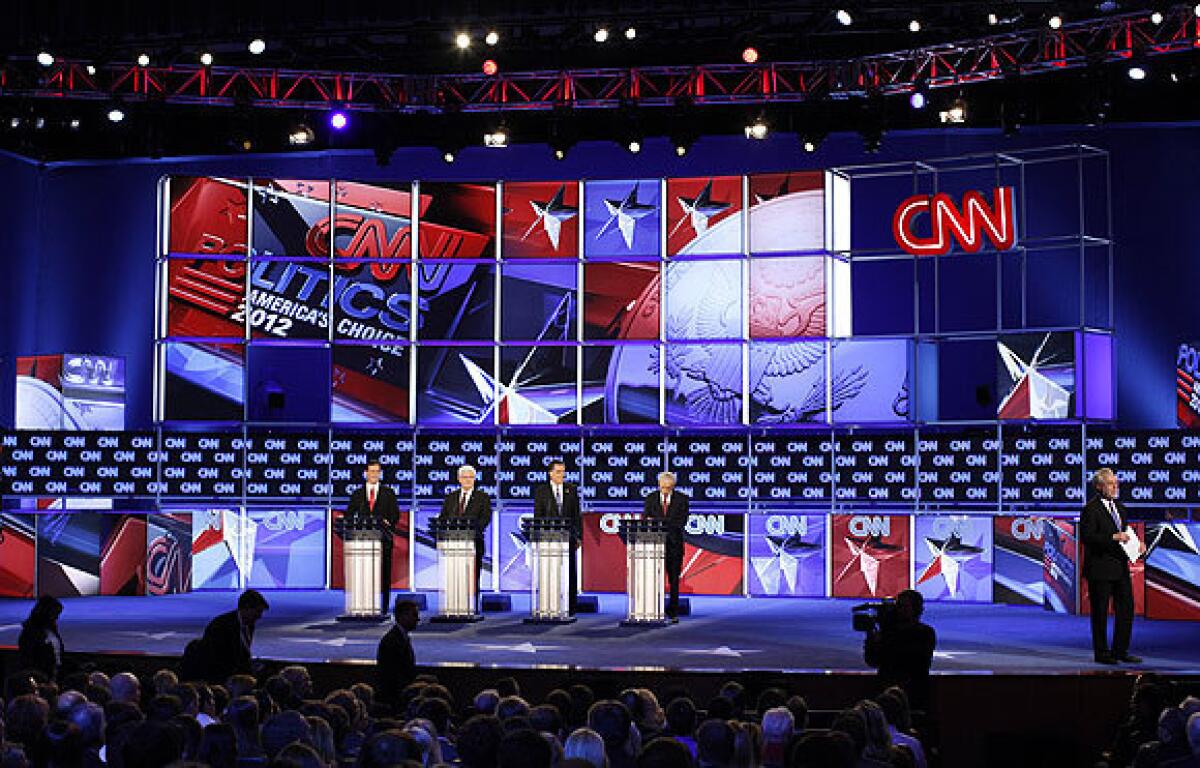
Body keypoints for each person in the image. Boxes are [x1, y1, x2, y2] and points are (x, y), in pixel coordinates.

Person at [1081, 467, 1145, 665]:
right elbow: (1088, 537)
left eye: (1116, 484)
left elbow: (1126, 533)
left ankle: (1120, 650)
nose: (1115, 487)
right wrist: (1112, 537)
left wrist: (1138, 544)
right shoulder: (1090, 509)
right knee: (1100, 613)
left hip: (1119, 567)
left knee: (1126, 609)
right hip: (1100, 568)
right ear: (1099, 486)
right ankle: (1101, 653)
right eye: (1110, 484)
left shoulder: (1121, 508)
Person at [863, 589, 936, 710]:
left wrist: (886, 634)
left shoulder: (925, 633)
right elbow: (872, 660)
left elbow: (909, 660)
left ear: (916, 609)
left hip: (914, 694)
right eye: (898, 606)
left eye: (904, 607)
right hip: (885, 692)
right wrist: (872, 637)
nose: (899, 611)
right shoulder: (887, 632)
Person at [346, 458, 401, 615]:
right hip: (361, 542)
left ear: (380, 474)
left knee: (384, 575)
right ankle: (360, 605)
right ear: (366, 473)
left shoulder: (388, 493)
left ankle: (383, 607)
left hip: (383, 540)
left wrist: (387, 522)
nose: (374, 474)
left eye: (377, 471)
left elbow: (395, 515)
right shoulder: (357, 494)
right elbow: (350, 515)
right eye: (371, 471)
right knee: (362, 573)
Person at [533, 459, 583, 615]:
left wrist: (578, 536)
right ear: (550, 473)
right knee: (550, 571)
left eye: (563, 471)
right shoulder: (541, 491)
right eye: (558, 472)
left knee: (570, 572)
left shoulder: (571, 490)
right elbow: (538, 516)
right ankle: (549, 604)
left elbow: (577, 515)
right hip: (549, 540)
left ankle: (571, 607)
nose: (562, 475)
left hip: (568, 538)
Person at [437, 464, 493, 593]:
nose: (468, 480)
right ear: (459, 479)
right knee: (453, 576)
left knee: (473, 577)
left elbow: (485, 519)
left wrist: (471, 531)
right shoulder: (451, 497)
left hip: (474, 543)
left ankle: (473, 606)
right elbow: (443, 518)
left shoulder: (482, 498)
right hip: (452, 544)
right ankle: (452, 606)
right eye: (465, 477)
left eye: (471, 477)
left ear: (474, 479)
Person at [643, 472, 690, 622]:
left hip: (674, 545)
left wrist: (661, 524)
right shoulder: (651, 498)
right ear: (659, 486)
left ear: (673, 487)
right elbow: (647, 518)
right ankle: (653, 609)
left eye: (668, 488)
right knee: (654, 579)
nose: (665, 490)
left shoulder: (682, 499)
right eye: (662, 487)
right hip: (655, 545)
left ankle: (673, 612)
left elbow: (681, 522)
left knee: (674, 580)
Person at [198, 589, 270, 683]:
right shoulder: (220, 626)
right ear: (246, 608)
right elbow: (215, 658)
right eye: (258, 611)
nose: (260, 616)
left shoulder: (249, 624)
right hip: (220, 678)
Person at [376, 598, 420, 711]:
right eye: (414, 615)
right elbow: (393, 675)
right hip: (396, 700)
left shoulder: (399, 637)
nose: (418, 619)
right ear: (403, 616)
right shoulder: (392, 641)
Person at [17, 595, 65, 680]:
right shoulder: (30, 633)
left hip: (54, 674)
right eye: (55, 614)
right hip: (40, 677)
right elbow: (27, 659)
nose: (57, 617)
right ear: (46, 613)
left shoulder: (52, 630)